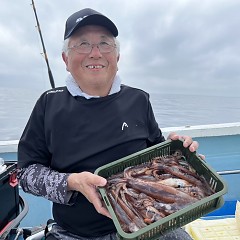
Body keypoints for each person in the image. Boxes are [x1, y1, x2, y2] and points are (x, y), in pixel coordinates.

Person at [17, 8, 199, 240]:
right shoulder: (48, 104)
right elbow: (25, 174)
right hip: (77, 234)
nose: (95, 53)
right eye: (83, 44)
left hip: (149, 223)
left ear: (117, 57)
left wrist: (181, 156)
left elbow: (158, 156)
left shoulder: (139, 99)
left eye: (105, 44)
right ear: (65, 59)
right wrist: (72, 182)